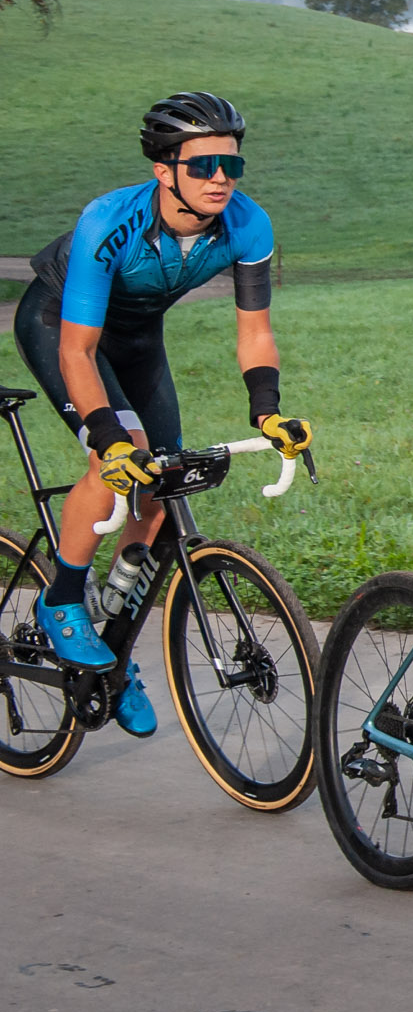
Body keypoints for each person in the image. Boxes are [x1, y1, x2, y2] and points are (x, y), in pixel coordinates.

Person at [11, 93, 313, 738]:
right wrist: (106, 435)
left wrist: (269, 413)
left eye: (232, 166)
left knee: (165, 479)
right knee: (122, 454)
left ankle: (114, 644)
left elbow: (255, 334)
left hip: (139, 339)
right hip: (60, 326)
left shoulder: (247, 224)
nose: (220, 181)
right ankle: (64, 597)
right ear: (164, 169)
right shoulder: (109, 222)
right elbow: (77, 349)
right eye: (203, 166)